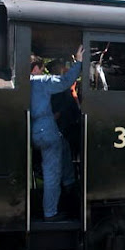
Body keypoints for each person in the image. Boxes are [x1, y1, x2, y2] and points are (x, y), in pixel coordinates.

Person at [31, 45, 83, 221]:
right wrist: (79, 63)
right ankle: (51, 212)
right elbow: (65, 81)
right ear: (36, 68)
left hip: (36, 130)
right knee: (52, 173)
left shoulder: (25, 83)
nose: (44, 71)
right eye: (42, 68)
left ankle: (69, 184)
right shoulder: (40, 82)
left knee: (63, 144)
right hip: (46, 130)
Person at [45, 59, 82, 160]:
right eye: (61, 66)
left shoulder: (65, 82)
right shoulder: (53, 82)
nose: (64, 68)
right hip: (61, 119)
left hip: (69, 119)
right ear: (54, 69)